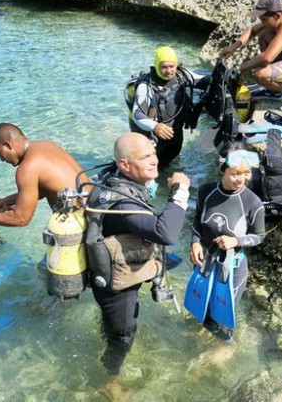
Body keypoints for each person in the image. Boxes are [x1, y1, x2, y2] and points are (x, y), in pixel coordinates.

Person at [87, 132, 190, 378]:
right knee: (123, 337)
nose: (155, 160)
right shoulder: (123, 202)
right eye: (145, 157)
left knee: (113, 326)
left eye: (153, 153)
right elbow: (165, 234)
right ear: (124, 164)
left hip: (111, 270)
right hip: (116, 287)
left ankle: (106, 332)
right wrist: (180, 192)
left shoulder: (113, 179)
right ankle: (109, 379)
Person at [188, 143, 265, 342]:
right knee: (202, 310)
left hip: (231, 268)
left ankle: (225, 348)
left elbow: (259, 236)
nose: (242, 179)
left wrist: (235, 240)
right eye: (235, 173)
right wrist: (195, 242)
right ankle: (206, 334)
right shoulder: (205, 192)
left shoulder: (253, 203)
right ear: (222, 169)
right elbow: (197, 220)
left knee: (220, 319)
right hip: (204, 261)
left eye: (247, 173)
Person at [0, 123, 86, 231]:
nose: (2, 159)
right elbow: (50, 187)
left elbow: (21, 219)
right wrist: (5, 201)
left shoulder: (27, 168)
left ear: (7, 144)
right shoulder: (47, 144)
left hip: (79, 224)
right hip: (94, 210)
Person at [128, 46, 195, 168]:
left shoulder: (182, 76)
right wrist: (155, 126)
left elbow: (206, 80)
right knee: (150, 169)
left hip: (175, 134)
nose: (169, 71)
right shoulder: (146, 86)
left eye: (172, 66)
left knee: (169, 165)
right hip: (152, 138)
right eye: (164, 67)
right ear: (156, 65)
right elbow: (137, 114)